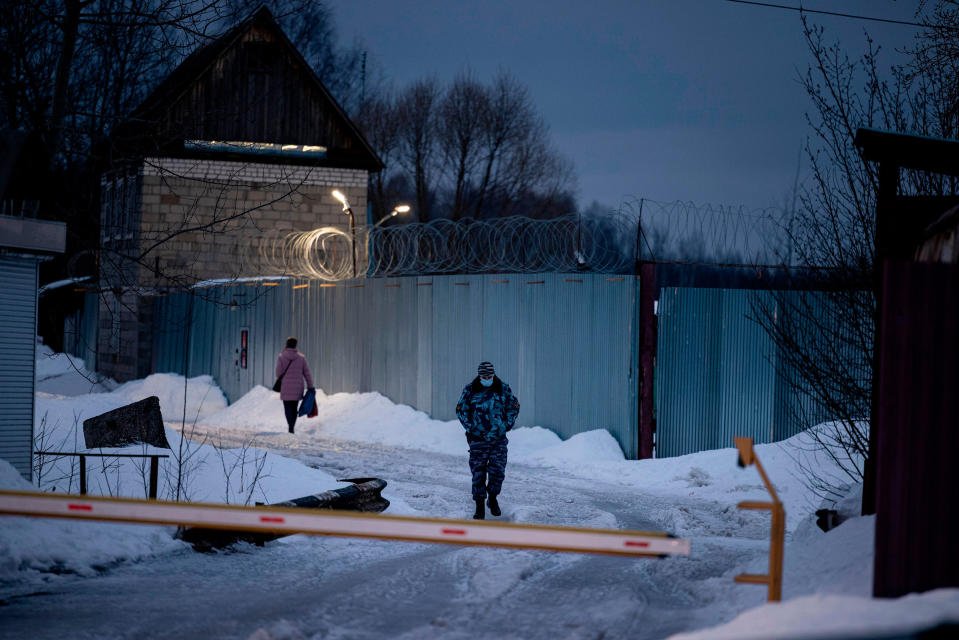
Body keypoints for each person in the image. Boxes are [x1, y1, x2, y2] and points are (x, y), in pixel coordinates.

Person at [455, 361, 520, 520]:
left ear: (493, 374)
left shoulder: (502, 388)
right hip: (478, 439)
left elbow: (514, 407)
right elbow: (461, 410)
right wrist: (471, 428)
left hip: (498, 439)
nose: (487, 378)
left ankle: (492, 498)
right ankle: (479, 506)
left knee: (497, 472)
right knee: (478, 472)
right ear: (479, 375)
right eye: (484, 376)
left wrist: (506, 425)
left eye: (489, 376)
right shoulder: (470, 389)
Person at [276, 337, 314, 434]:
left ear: (287, 344)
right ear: (295, 345)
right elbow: (307, 373)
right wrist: (310, 386)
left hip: (286, 388)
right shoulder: (301, 358)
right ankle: (292, 426)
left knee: (287, 408)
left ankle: (290, 425)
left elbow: (278, 373)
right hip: (297, 388)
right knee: (294, 408)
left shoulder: (281, 357)